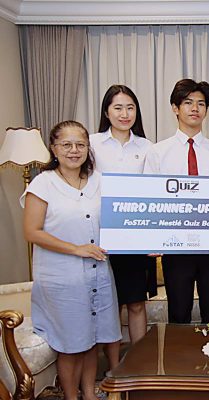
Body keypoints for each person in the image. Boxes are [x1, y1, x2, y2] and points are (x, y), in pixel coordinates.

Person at [22, 120, 121, 400]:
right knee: (71, 345)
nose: (74, 150)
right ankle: (70, 396)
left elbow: (121, 216)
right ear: (54, 148)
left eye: (80, 144)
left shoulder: (99, 180)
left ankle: (89, 394)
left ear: (88, 148)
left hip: (98, 275)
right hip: (62, 279)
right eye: (66, 144)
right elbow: (31, 232)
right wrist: (76, 249)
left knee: (91, 340)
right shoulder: (43, 183)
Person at [143, 78, 209, 324]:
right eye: (188, 102)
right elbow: (150, 200)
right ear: (175, 108)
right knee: (179, 314)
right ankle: (178, 353)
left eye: (201, 103)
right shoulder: (158, 152)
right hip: (175, 246)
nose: (195, 108)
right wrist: (152, 239)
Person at [89, 84, 156, 370]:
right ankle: (112, 366)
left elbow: (154, 194)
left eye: (130, 107)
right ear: (106, 112)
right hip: (100, 236)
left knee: (136, 302)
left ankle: (139, 365)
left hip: (135, 236)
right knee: (108, 305)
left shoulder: (147, 147)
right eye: (118, 107)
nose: (124, 114)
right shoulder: (91, 144)